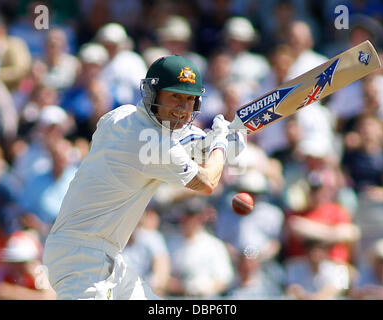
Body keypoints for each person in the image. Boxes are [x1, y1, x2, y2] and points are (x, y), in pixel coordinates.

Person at [43, 55, 246, 300]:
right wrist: (221, 146)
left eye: (189, 99)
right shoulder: (151, 142)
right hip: (82, 258)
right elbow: (207, 182)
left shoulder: (122, 116)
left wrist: (208, 144)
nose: (182, 109)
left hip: (103, 255)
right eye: (175, 97)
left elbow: (171, 142)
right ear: (153, 93)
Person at [165, 197, 234, 298]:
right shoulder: (170, 243)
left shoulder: (214, 245)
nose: (187, 220)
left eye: (192, 215)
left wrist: (201, 289)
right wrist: (181, 287)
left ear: (201, 218)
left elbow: (224, 279)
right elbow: (163, 277)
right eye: (186, 215)